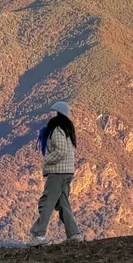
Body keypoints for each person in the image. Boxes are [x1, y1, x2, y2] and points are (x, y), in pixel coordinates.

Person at [29, 101, 84, 246]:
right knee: (63, 204)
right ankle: (74, 234)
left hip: (57, 173)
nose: (50, 114)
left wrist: (46, 160)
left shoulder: (57, 128)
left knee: (46, 202)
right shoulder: (67, 129)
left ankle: (38, 235)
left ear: (58, 112)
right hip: (67, 172)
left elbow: (60, 151)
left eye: (53, 111)